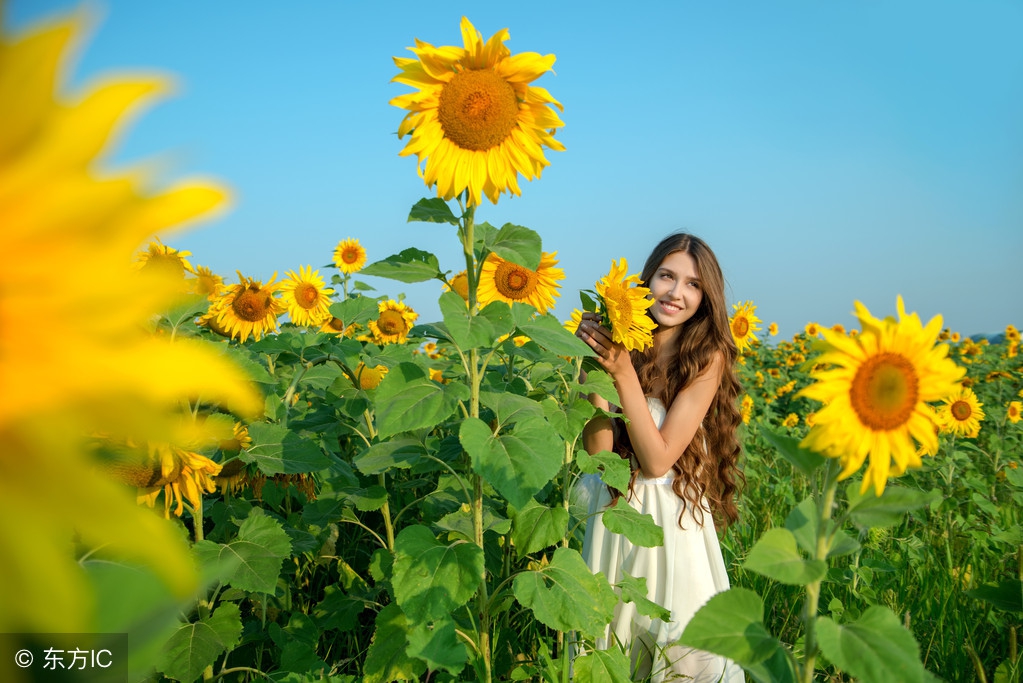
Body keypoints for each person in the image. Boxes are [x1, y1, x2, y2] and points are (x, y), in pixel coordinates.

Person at [574, 232, 745, 682]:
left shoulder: (706, 359)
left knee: (680, 657)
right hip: (612, 511)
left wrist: (623, 372)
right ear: (645, 281)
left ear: (705, 298)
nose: (676, 293)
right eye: (667, 276)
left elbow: (657, 461)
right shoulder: (622, 346)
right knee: (611, 652)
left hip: (670, 523)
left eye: (693, 284)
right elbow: (598, 455)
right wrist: (594, 363)